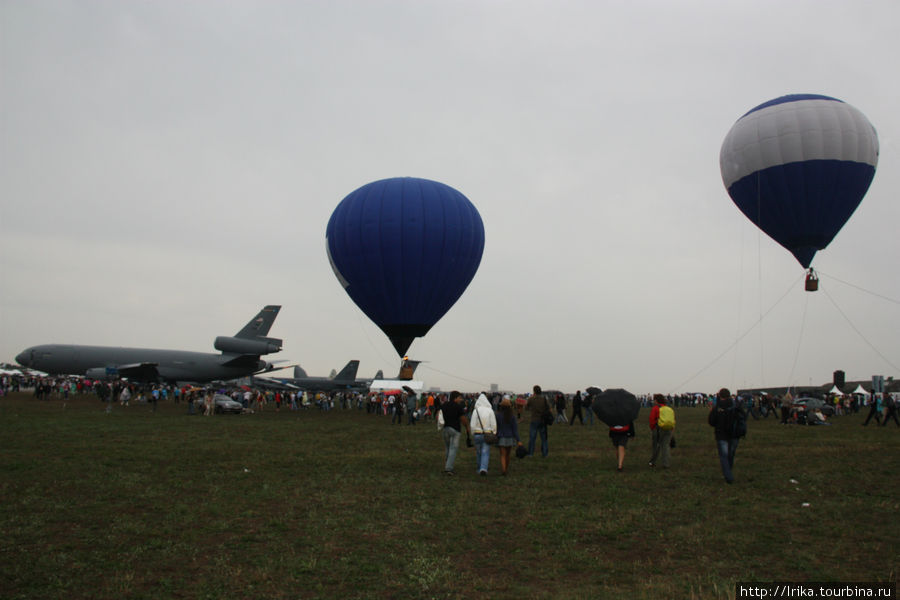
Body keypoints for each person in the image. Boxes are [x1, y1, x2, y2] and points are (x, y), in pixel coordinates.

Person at [709, 388, 745, 484]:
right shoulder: (736, 405)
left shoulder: (717, 407)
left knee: (724, 456)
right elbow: (743, 417)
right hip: (735, 434)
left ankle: (728, 475)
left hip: (722, 434)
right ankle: (728, 471)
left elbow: (711, 422)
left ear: (720, 396)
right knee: (730, 454)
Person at [438, 391, 469, 475]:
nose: (461, 400)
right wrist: (467, 427)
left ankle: (447, 465)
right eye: (459, 398)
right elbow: (463, 419)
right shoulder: (458, 407)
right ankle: (449, 468)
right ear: (455, 398)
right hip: (455, 430)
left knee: (448, 448)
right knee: (453, 449)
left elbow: (438, 415)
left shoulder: (444, 405)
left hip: (445, 429)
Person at [469, 393, 497, 476]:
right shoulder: (490, 410)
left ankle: (478, 468)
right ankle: (483, 468)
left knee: (478, 452)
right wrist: (494, 432)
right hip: (487, 434)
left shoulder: (475, 411)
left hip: (477, 434)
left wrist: (472, 432)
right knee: (485, 452)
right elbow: (493, 423)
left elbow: (472, 424)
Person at [495, 396, 521, 475]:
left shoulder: (498, 415)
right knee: (508, 455)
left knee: (502, 455)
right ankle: (506, 468)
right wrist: (518, 440)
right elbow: (515, 430)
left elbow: (496, 427)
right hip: (510, 437)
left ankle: (503, 469)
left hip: (501, 437)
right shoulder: (512, 417)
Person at [526, 385, 552, 457]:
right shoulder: (544, 399)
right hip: (542, 420)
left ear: (534, 391)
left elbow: (526, 407)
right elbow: (549, 408)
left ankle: (530, 453)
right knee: (544, 438)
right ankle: (545, 453)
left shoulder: (531, 399)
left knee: (532, 438)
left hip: (534, 420)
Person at [648, 394, 673, 468]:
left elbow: (652, 420)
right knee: (665, 446)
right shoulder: (668, 408)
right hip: (668, 428)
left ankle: (652, 461)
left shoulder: (655, 408)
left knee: (656, 446)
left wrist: (652, 428)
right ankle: (666, 463)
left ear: (656, 400)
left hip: (658, 429)